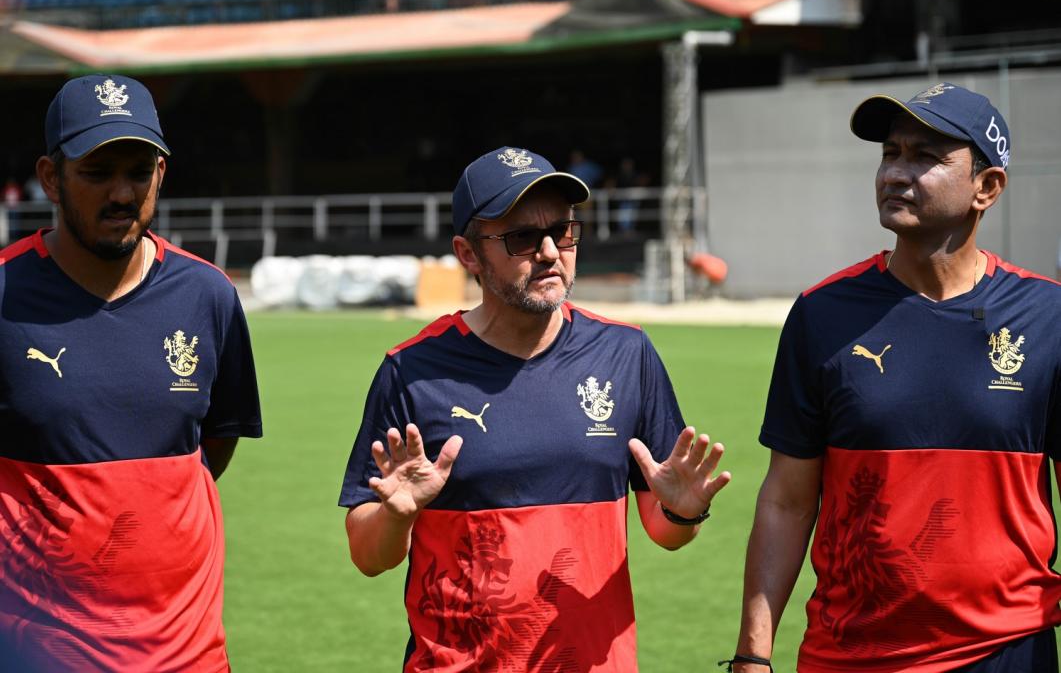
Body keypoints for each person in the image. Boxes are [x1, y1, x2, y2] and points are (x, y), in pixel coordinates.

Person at [340, 146, 731, 671]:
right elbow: (369, 556)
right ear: (468, 253)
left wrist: (684, 510)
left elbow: (666, 532)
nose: (550, 251)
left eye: (564, 231)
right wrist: (396, 514)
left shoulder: (625, 353)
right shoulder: (411, 370)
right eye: (522, 237)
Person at [727, 82, 1061, 673]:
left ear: (987, 187)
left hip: (1006, 652)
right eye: (890, 153)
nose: (895, 173)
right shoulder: (821, 312)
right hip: (853, 654)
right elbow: (786, 500)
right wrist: (752, 655)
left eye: (925, 157)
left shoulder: (1048, 317)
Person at [0, 74, 262, 670]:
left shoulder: (208, 296)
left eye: (139, 172)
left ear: (160, 177)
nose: (122, 193)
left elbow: (208, 448)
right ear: (50, 178)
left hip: (187, 654)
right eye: (96, 173)